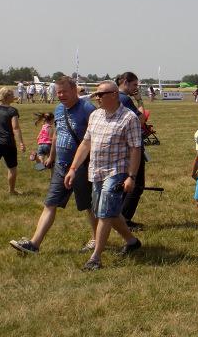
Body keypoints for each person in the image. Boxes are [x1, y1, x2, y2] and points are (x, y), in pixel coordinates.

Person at [9, 77, 98, 255]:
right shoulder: (58, 109)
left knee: (89, 205)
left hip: (82, 166)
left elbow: (96, 137)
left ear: (74, 90)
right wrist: (51, 156)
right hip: (60, 165)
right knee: (50, 203)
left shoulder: (88, 109)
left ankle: (97, 240)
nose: (61, 95)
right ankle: (34, 244)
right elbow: (58, 133)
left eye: (64, 91)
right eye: (58, 92)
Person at [64, 80, 143, 271]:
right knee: (108, 211)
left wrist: (131, 176)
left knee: (105, 213)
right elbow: (86, 143)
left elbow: (135, 149)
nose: (97, 98)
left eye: (101, 95)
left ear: (114, 95)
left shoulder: (129, 118)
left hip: (117, 172)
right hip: (96, 171)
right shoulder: (95, 115)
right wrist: (73, 168)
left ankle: (96, 258)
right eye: (96, 95)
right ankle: (132, 242)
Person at [116, 72, 149, 231]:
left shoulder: (114, 97)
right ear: (125, 82)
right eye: (134, 85)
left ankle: (118, 217)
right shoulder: (125, 99)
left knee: (124, 183)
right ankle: (125, 220)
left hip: (120, 146)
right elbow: (141, 119)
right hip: (132, 146)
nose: (136, 88)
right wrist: (139, 100)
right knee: (136, 184)